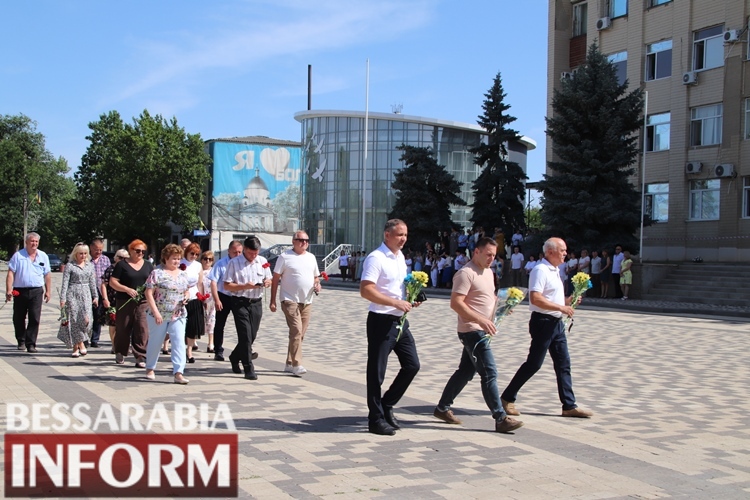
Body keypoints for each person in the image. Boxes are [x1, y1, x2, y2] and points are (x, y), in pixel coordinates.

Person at [433, 237, 524, 433]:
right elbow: (456, 303)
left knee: (465, 372)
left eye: (494, 255)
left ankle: (442, 408)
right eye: (488, 254)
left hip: (483, 329)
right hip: (472, 331)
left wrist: (502, 309)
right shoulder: (466, 273)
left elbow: (487, 299)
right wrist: (481, 320)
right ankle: (500, 418)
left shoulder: (489, 272)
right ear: (476, 252)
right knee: (489, 372)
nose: (492, 258)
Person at [501, 237, 594, 419]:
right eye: (562, 250)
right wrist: (561, 307)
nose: (565, 254)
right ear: (550, 252)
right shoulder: (540, 270)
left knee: (563, 364)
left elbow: (551, 298)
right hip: (543, 322)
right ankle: (507, 398)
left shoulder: (555, 270)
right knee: (534, 364)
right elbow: (535, 298)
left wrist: (568, 301)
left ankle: (569, 405)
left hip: (556, 323)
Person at [360, 219, 421, 436]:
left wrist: (412, 295)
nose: (403, 239)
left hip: (400, 321)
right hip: (381, 320)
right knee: (377, 373)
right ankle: (375, 419)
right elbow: (366, 290)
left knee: (412, 365)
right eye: (399, 235)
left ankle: (386, 405)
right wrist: (394, 302)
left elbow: (398, 285)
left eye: (405, 234)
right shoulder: (376, 258)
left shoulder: (400, 256)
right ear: (387, 235)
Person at [270, 231, 321, 377]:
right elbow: (275, 279)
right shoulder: (285, 257)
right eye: (300, 240)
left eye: (306, 240)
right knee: (297, 330)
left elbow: (315, 277)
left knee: (298, 334)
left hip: (307, 300)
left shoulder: (311, 257)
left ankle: (289, 362)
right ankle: (297, 364)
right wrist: (273, 300)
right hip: (289, 299)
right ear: (293, 241)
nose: (304, 242)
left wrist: (317, 285)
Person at [223, 236, 272, 380]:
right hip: (240, 302)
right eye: (251, 253)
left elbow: (269, 278)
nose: (253, 256)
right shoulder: (234, 263)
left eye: (256, 253)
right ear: (244, 249)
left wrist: (267, 282)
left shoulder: (262, 262)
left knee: (252, 335)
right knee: (245, 334)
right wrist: (245, 286)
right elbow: (227, 285)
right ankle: (248, 367)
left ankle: (234, 356)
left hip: (256, 302)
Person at [144, 244, 190, 384]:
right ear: (165, 258)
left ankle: (178, 372)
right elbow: (148, 293)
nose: (176, 261)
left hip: (178, 313)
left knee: (178, 342)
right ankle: (150, 368)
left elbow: (186, 290)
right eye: (173, 259)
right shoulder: (157, 273)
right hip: (159, 313)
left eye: (178, 259)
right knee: (156, 342)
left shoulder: (182, 274)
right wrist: (156, 312)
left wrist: (186, 296)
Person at [109, 239, 153, 366]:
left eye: (143, 251)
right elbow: (113, 282)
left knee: (142, 327)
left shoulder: (148, 265)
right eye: (138, 251)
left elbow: (153, 281)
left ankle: (140, 355)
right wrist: (127, 289)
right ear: (131, 251)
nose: (140, 253)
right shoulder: (122, 265)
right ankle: (120, 352)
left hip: (143, 301)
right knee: (123, 327)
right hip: (124, 300)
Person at [5, 232, 51, 353]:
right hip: (19, 291)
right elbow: (11, 273)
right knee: (18, 317)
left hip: (36, 290)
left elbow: (47, 274)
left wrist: (48, 291)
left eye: (36, 241)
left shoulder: (43, 256)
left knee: (35, 317)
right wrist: (9, 289)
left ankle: (31, 343)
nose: (34, 243)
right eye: (32, 241)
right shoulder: (18, 256)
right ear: (26, 242)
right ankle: (21, 340)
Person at [57, 243, 98, 357]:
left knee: (87, 321)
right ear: (75, 253)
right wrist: (63, 298)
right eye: (81, 253)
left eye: (85, 253)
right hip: (73, 293)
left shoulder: (90, 265)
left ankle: (78, 344)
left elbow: (92, 282)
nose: (83, 256)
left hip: (86, 294)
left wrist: (95, 296)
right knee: (74, 320)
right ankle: (79, 345)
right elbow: (65, 283)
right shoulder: (70, 266)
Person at [208, 240, 243, 361]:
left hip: (238, 297)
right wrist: (217, 300)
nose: (238, 255)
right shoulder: (221, 263)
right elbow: (213, 282)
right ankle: (218, 350)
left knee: (242, 324)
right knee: (220, 324)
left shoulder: (243, 262)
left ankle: (243, 349)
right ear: (229, 251)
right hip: (223, 296)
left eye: (240, 252)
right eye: (235, 252)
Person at [101, 249, 128, 353]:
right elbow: (104, 284)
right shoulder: (110, 269)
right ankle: (114, 345)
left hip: (126, 299)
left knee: (124, 324)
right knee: (113, 323)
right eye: (120, 257)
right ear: (116, 258)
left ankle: (122, 344)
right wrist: (105, 299)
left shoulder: (129, 268)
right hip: (113, 299)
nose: (123, 260)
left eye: (125, 258)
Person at [181, 242, 204, 363]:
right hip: (181, 297)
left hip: (194, 297)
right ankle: (177, 348)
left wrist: (202, 297)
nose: (194, 256)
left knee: (192, 326)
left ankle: (189, 350)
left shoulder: (198, 265)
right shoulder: (180, 263)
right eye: (192, 253)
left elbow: (200, 283)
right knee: (180, 325)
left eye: (196, 254)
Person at [89, 239, 110, 348]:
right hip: (88, 291)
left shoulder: (105, 259)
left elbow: (108, 276)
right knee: (87, 316)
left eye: (101, 250)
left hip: (101, 290)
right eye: (96, 250)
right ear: (91, 248)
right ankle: (84, 339)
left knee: (98, 316)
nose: (99, 252)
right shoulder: (86, 259)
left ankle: (95, 339)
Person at [200, 250, 216, 353]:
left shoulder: (214, 271)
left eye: (210, 259)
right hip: (200, 298)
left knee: (212, 320)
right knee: (200, 320)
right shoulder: (199, 270)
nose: (207, 261)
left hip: (212, 299)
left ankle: (211, 343)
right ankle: (194, 341)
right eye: (205, 259)